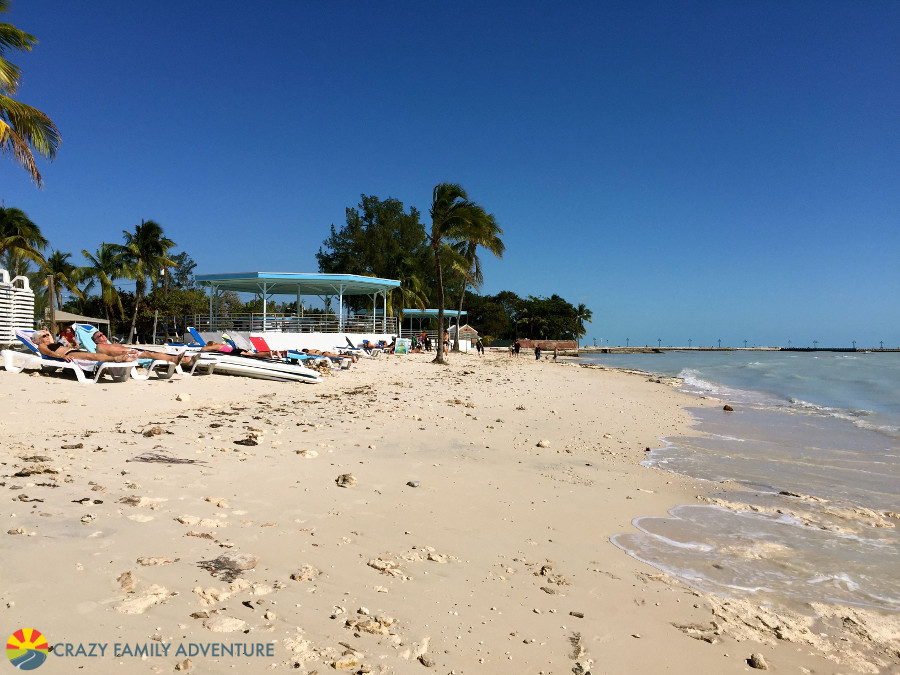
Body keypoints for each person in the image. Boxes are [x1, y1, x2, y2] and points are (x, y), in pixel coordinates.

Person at [91, 330, 197, 367]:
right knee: (149, 354)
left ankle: (185, 359)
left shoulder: (109, 343)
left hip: (129, 351)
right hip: (125, 355)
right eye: (99, 336)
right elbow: (111, 353)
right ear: (96, 340)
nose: (103, 336)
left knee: (151, 352)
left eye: (102, 334)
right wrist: (129, 351)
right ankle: (181, 359)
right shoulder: (100, 346)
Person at [33, 330, 138, 363]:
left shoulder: (52, 343)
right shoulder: (42, 345)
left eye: (48, 335)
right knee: (91, 357)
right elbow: (49, 353)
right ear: (39, 339)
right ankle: (116, 359)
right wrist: (62, 357)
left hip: (72, 351)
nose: (47, 336)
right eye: (44, 335)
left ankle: (124, 357)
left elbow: (65, 344)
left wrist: (50, 336)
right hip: (67, 354)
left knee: (92, 355)